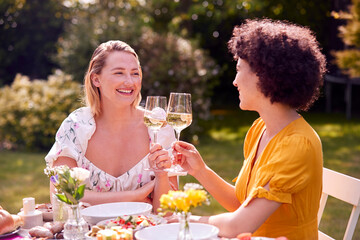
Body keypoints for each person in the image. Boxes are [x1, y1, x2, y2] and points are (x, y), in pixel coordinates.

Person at [167, 19, 326, 239]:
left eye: (239, 70)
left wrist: (186, 220)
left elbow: (237, 226)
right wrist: (200, 170)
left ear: (264, 75)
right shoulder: (259, 129)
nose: (234, 81)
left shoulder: (297, 144)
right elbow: (242, 205)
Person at [45, 40, 177, 211]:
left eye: (135, 73)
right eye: (119, 73)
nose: (130, 82)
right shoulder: (76, 126)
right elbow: (62, 196)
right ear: (96, 79)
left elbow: (168, 212)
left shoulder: (159, 128)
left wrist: (161, 176)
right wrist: (135, 196)